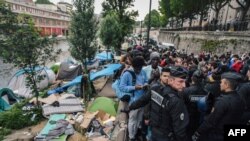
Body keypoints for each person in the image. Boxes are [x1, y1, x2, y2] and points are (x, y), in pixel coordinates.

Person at [129, 66, 189, 141]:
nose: (184, 85)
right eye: (180, 81)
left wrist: (130, 107)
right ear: (170, 80)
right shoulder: (176, 101)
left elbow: (142, 101)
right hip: (165, 136)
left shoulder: (155, 89)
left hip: (155, 133)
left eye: (184, 81)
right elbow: (180, 130)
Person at [192, 72, 245, 141]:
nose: (220, 84)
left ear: (227, 85)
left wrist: (198, 132)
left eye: (221, 82)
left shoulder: (222, 101)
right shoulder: (241, 98)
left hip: (217, 135)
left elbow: (211, 120)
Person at [119, 56, 148, 141]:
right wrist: (134, 87)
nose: (139, 69)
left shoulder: (143, 72)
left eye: (141, 67)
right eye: (138, 68)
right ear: (134, 66)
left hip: (142, 100)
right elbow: (122, 87)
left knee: (139, 119)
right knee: (132, 119)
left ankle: (136, 134)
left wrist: (145, 85)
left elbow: (146, 80)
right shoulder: (127, 74)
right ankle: (131, 137)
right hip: (133, 101)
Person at [181, 70, 207, 141]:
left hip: (188, 120)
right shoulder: (206, 92)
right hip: (200, 121)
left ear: (192, 78)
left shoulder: (186, 91)